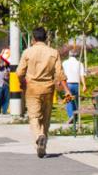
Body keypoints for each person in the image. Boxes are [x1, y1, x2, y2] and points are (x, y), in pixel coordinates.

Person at [17, 27, 71, 158]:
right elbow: (60, 74)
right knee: (46, 118)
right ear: (46, 38)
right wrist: (67, 90)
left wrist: (22, 82)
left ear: (33, 39)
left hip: (32, 88)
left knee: (34, 116)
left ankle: (38, 136)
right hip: (48, 88)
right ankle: (43, 146)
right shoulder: (53, 52)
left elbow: (19, 73)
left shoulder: (27, 52)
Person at [61, 48, 86, 124]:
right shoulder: (80, 63)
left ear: (69, 55)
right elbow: (82, 75)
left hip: (67, 84)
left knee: (69, 101)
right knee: (76, 102)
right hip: (76, 85)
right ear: (77, 56)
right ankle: (75, 117)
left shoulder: (64, 63)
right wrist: (84, 85)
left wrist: (60, 82)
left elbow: (62, 74)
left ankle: (71, 116)